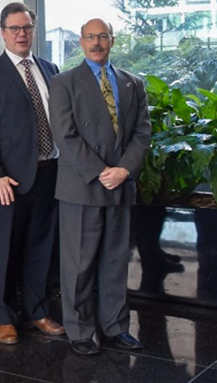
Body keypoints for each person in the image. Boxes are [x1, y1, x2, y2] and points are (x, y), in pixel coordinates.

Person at [50, 18, 151, 356]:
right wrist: (101, 171)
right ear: (80, 42)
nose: (97, 43)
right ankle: (79, 331)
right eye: (90, 37)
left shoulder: (133, 83)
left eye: (103, 37)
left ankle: (116, 327)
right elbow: (65, 135)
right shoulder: (64, 82)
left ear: (112, 40)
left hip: (120, 184)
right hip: (82, 184)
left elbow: (142, 133)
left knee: (114, 260)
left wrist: (123, 169)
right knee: (79, 263)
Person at [0, 2, 65, 345]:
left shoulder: (49, 67)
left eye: (26, 27)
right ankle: (3, 317)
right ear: (3, 33)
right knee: (3, 249)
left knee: (39, 248)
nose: (21, 34)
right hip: (7, 180)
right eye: (14, 29)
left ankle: (38, 311)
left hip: (48, 172)